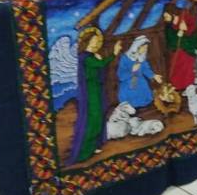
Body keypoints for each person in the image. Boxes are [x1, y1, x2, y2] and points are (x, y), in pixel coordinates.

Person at [67, 29, 121, 164]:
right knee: (94, 118)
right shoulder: (85, 57)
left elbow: (100, 69)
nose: (96, 44)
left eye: (97, 41)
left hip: (97, 89)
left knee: (100, 115)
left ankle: (94, 145)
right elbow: (100, 65)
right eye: (93, 41)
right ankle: (84, 152)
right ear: (87, 42)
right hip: (91, 92)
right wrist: (114, 54)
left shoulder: (93, 56)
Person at [115, 35, 162, 109]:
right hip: (128, 82)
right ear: (137, 47)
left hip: (140, 81)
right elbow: (120, 74)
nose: (145, 50)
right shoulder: (125, 58)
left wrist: (154, 76)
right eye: (144, 47)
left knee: (143, 88)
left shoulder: (142, 59)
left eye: (146, 48)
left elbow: (146, 69)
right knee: (130, 97)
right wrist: (132, 71)